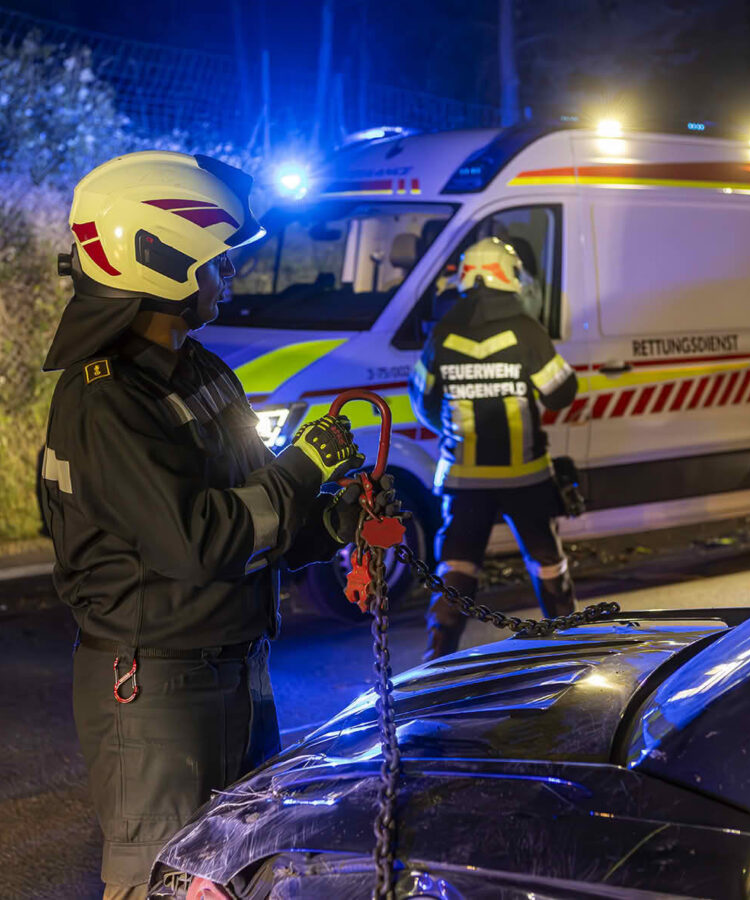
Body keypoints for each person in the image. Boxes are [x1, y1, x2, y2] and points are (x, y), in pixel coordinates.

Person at [38, 151, 392, 898]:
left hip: (235, 670)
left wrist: (336, 521)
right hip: (156, 685)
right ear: (161, 260)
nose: (228, 277)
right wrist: (304, 466)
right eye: (217, 261)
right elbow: (199, 539)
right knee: (165, 880)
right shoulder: (106, 400)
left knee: (244, 876)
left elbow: (257, 512)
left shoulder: (201, 374)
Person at [409, 236, 579, 662]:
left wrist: (452, 429)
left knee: (457, 566)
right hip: (526, 475)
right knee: (546, 560)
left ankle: (437, 660)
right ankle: (572, 650)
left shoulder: (444, 331)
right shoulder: (526, 329)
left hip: (464, 478)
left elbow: (422, 400)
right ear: (510, 276)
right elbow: (560, 393)